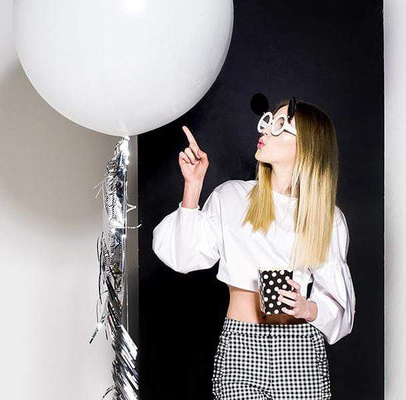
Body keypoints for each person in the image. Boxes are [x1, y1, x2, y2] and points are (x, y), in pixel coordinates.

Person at [152, 97, 356, 400]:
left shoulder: (327, 219)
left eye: (281, 125)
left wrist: (307, 308)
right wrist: (192, 187)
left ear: (306, 147)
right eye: (269, 120)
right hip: (241, 347)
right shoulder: (231, 197)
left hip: (300, 351)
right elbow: (183, 257)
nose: (266, 130)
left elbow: (340, 310)